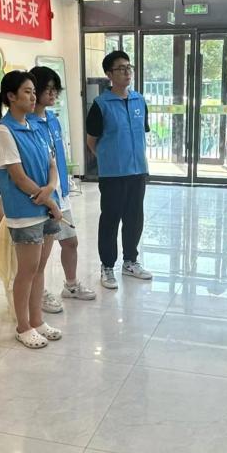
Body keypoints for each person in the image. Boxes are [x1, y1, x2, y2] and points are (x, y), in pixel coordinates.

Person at [0, 70, 64, 349]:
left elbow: (52, 164)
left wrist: (50, 189)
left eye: (34, 92)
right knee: (27, 271)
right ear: (11, 96)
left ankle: (37, 320)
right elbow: (18, 178)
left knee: (40, 268)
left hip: (45, 206)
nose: (33, 97)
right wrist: (49, 200)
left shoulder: (34, 125)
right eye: (27, 92)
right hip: (25, 211)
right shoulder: (4, 131)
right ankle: (23, 326)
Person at [29, 65, 97, 313]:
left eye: (55, 89)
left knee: (70, 242)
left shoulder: (53, 119)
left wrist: (64, 186)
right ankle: (38, 293)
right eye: (48, 89)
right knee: (40, 254)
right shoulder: (26, 123)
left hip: (60, 193)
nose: (53, 94)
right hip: (42, 196)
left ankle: (70, 285)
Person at [85, 50, 153, 289]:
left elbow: (142, 132)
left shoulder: (139, 100)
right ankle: (107, 266)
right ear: (109, 74)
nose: (127, 72)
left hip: (138, 171)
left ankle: (130, 262)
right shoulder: (100, 105)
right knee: (110, 219)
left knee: (134, 218)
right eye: (121, 68)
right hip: (113, 174)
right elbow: (91, 141)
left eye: (128, 67)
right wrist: (108, 159)